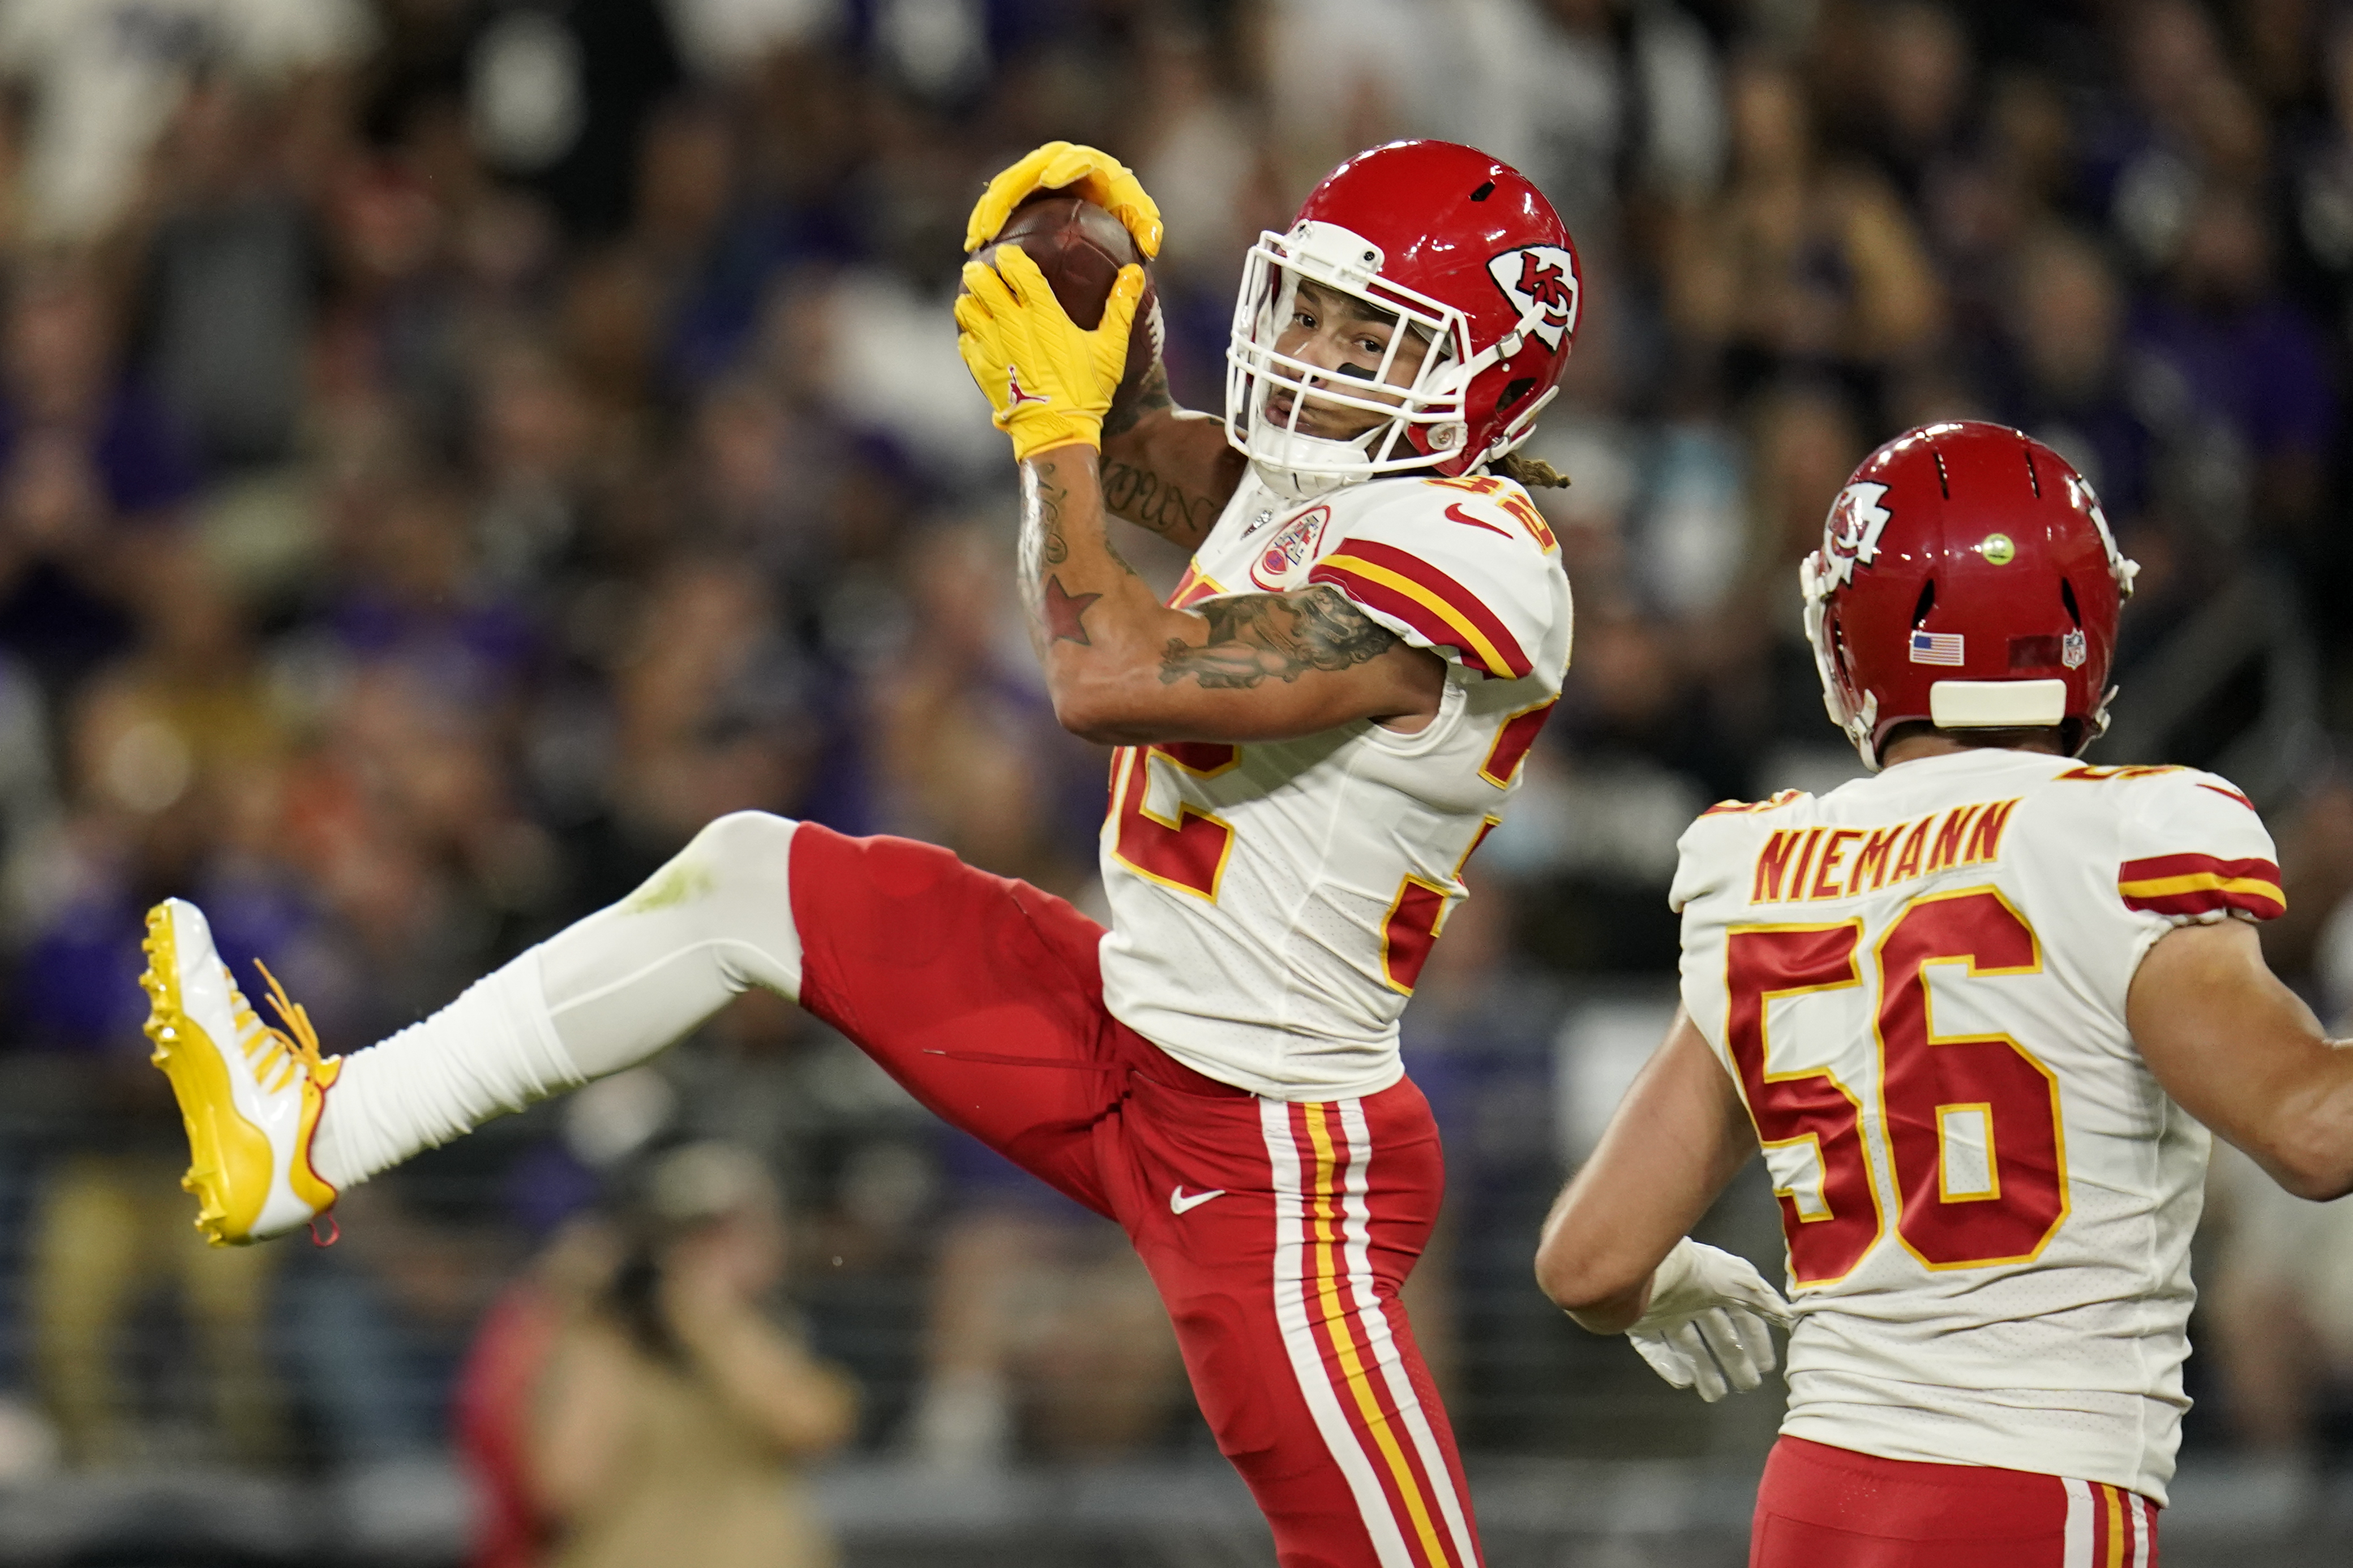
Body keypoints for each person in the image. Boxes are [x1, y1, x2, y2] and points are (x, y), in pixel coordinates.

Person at [137, 138, 1581, 1568]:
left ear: (1489, 377)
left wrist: (1048, 424)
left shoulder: (1479, 554)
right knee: (749, 880)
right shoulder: (1335, 477)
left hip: (1274, 1156)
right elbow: (1135, 464)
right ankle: (314, 1135)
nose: (1314, 354)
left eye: (1368, 332)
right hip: (1120, 1024)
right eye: (1308, 309)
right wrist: (1098, 331)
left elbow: (1108, 672)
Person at [1534, 419, 2353, 1566]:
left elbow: (1592, 1260)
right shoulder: (2121, 837)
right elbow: (2316, 1130)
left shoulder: (1765, 860)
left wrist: (1662, 1282)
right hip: (2028, 1490)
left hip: (1815, 1497)